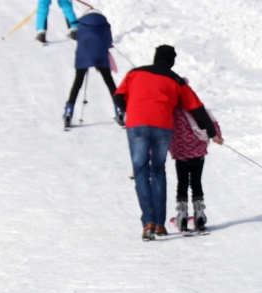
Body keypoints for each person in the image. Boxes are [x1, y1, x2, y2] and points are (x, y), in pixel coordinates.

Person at [112, 45, 221, 241]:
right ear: (172, 62)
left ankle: (148, 222)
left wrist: (133, 110)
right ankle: (160, 224)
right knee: (158, 170)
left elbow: (118, 96)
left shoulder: (135, 73)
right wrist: (212, 133)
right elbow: (197, 108)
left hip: (137, 125)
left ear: (155, 58)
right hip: (162, 126)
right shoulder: (176, 80)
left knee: (141, 171)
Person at [63, 10, 119, 131]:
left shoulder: (81, 24)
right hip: (100, 53)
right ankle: (119, 109)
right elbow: (109, 41)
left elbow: (77, 37)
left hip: (83, 55)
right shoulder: (104, 23)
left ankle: (68, 112)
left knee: (77, 83)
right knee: (109, 82)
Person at [170, 104, 220, 232]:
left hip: (181, 154)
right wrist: (217, 136)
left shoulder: (172, 111)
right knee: (196, 183)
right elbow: (211, 123)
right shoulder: (196, 108)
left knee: (182, 183)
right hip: (198, 153)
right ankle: (199, 215)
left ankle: (182, 216)